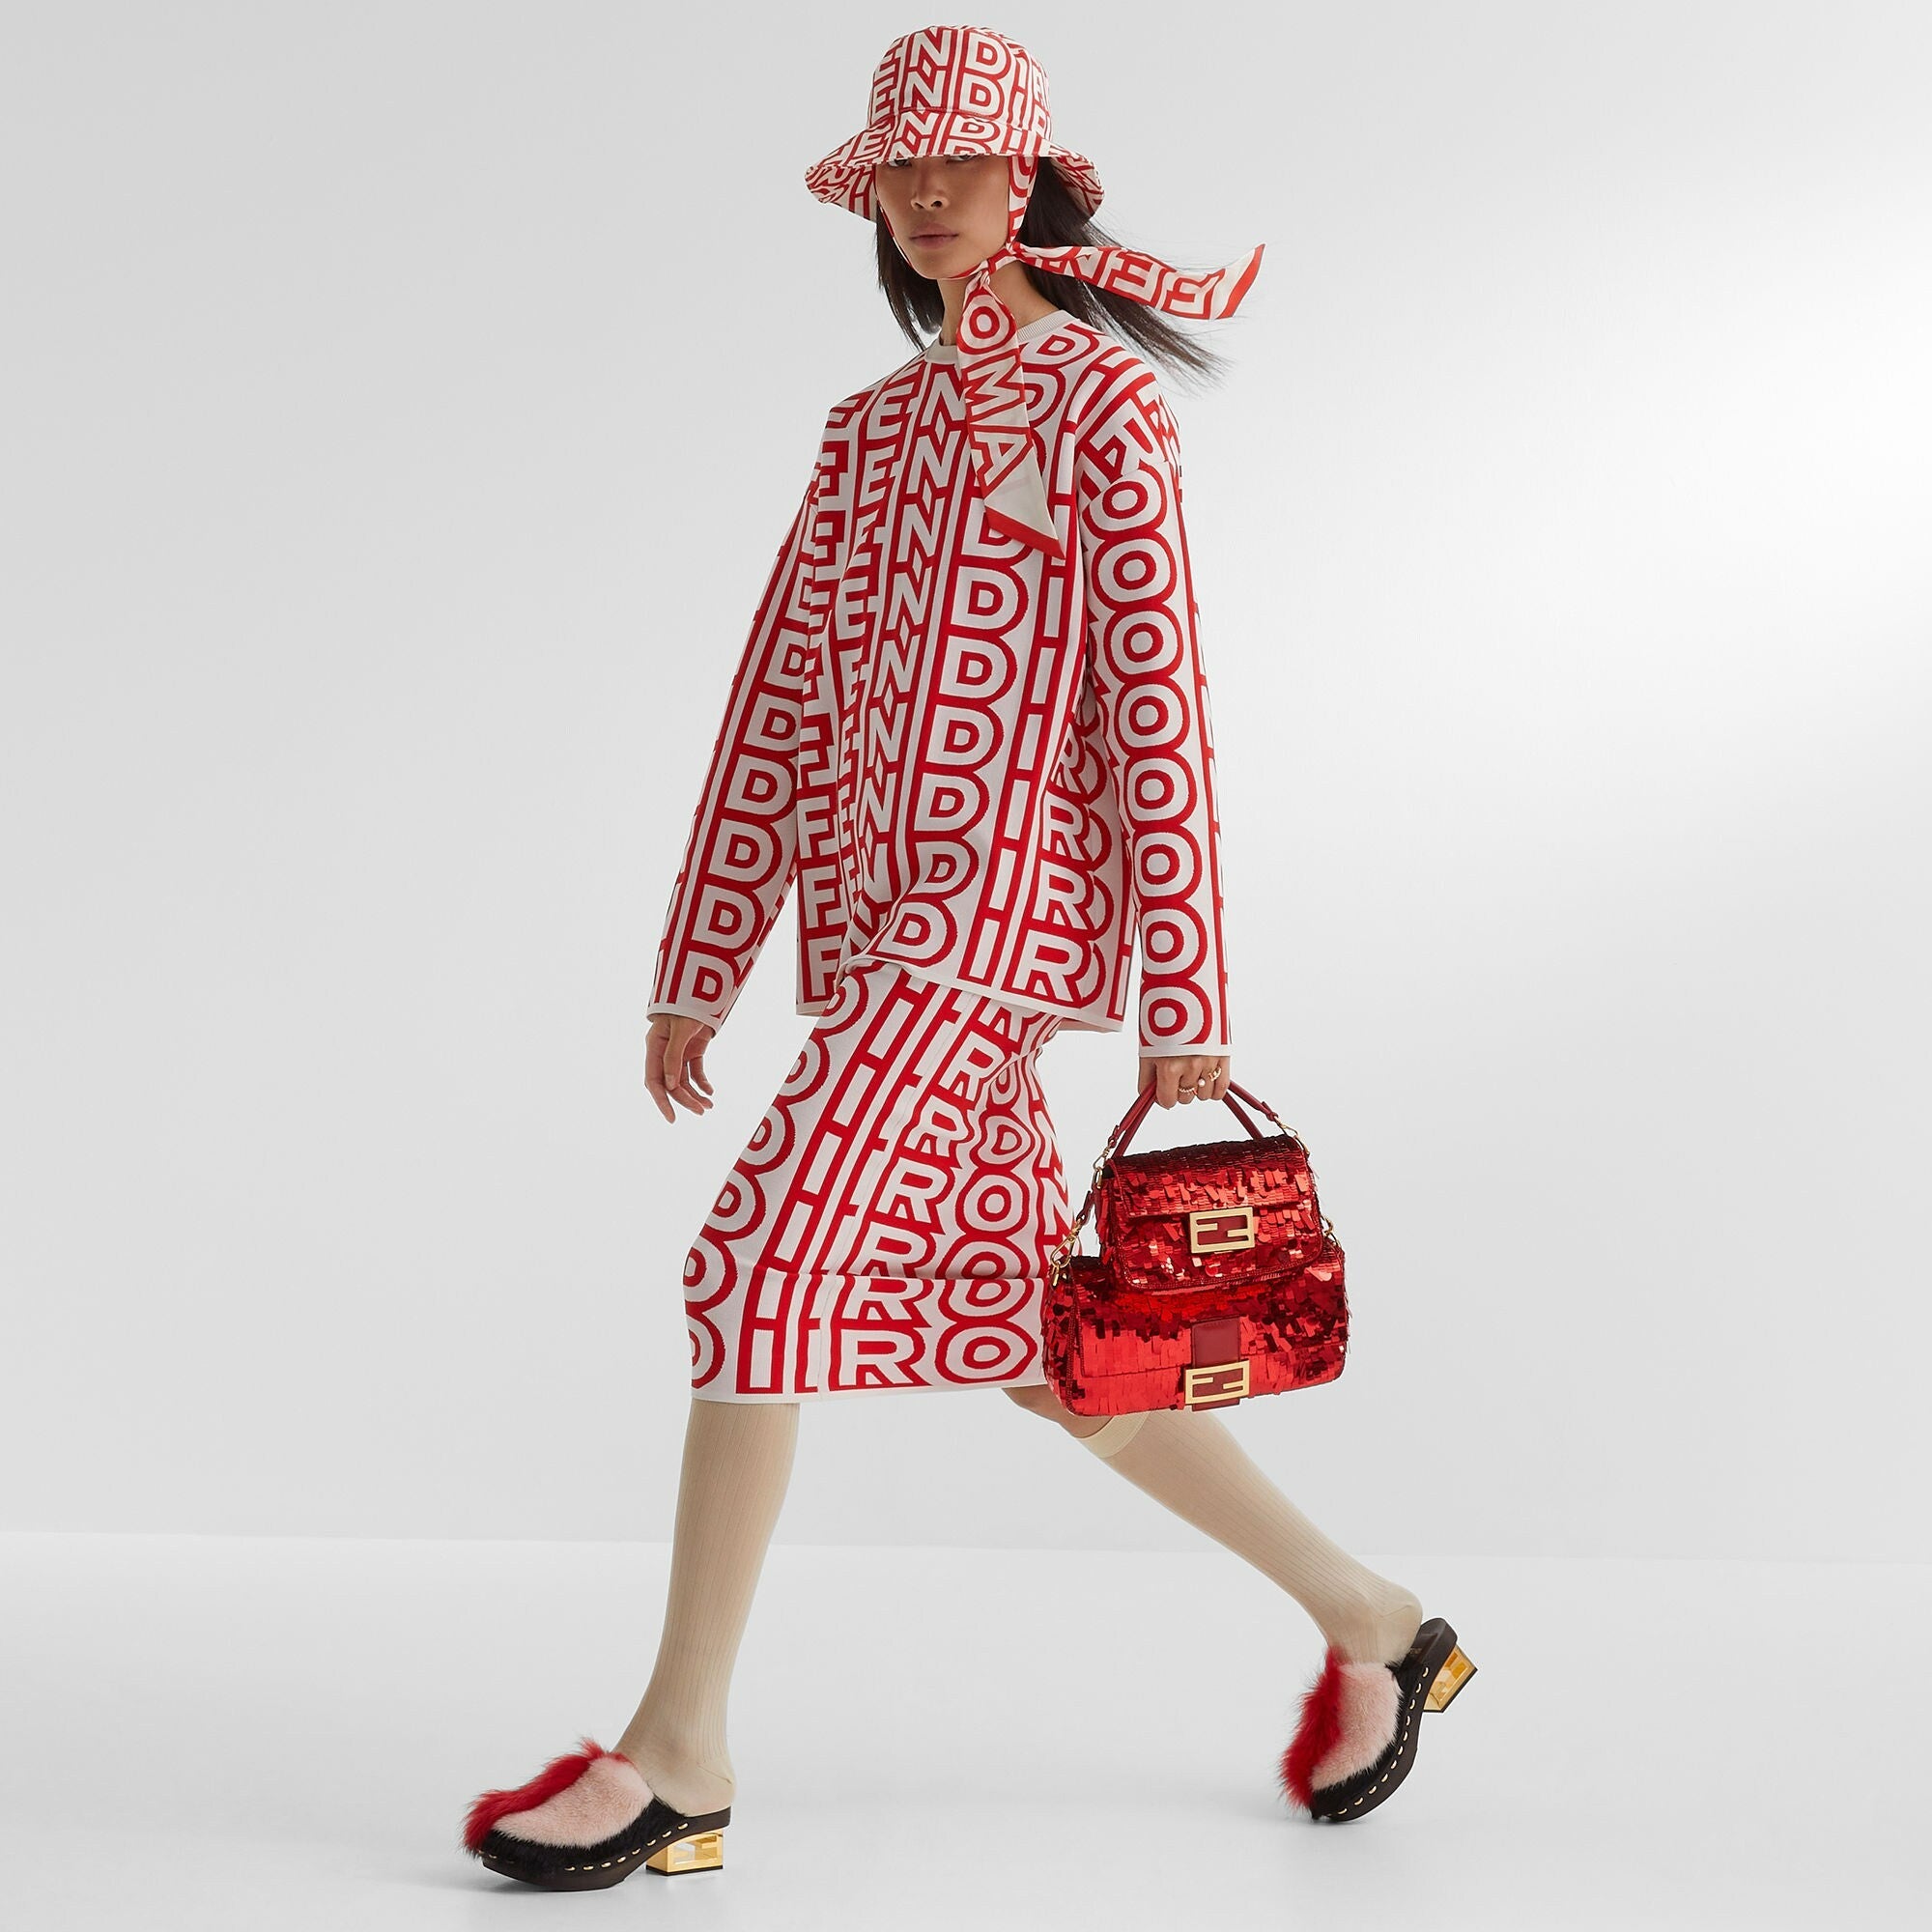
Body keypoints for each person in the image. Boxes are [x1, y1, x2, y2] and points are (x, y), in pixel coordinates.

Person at [460, 24, 1473, 1890]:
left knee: (756, 1267)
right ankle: (1378, 1623)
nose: (927, 203)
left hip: (996, 940)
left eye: (958, 170)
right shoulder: (865, 438)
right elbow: (774, 699)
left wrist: (1191, 997)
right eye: (898, 177)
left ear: (1028, 183)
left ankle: (679, 1751)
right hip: (865, 943)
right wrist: (706, 955)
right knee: (1041, 1344)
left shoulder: (1104, 411)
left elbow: (1159, 706)